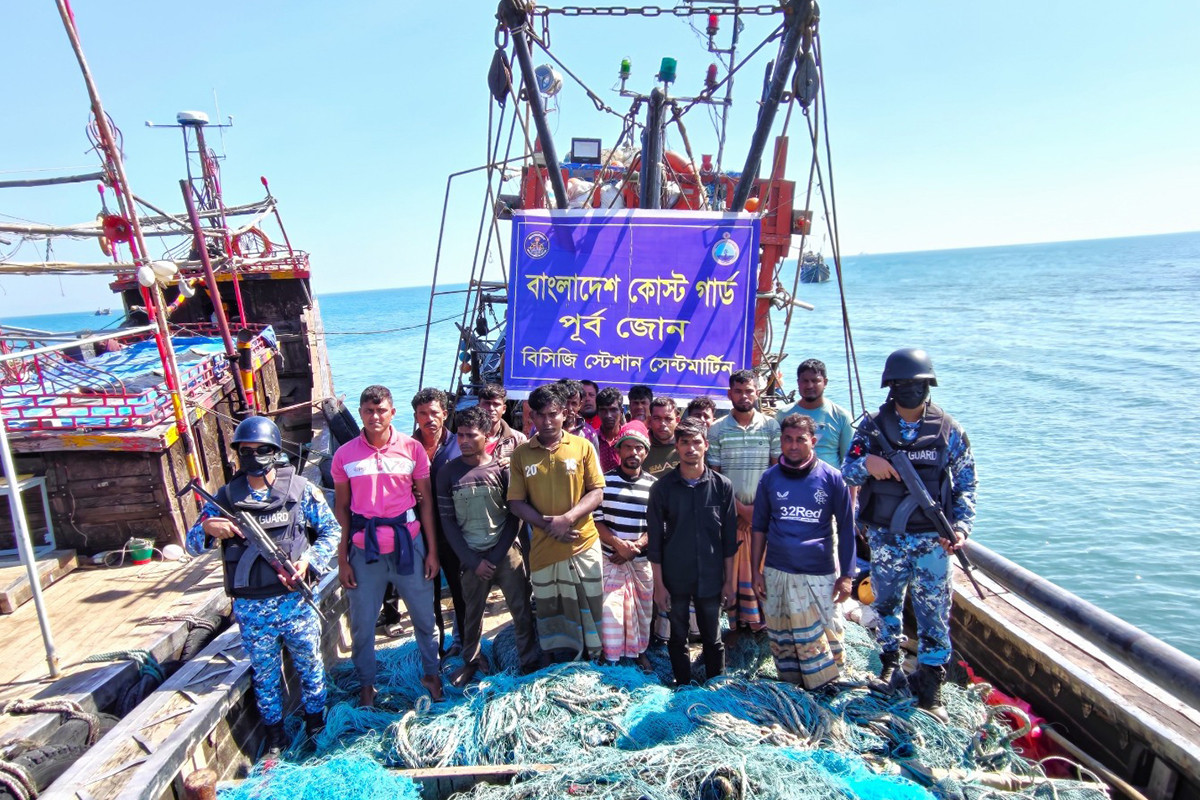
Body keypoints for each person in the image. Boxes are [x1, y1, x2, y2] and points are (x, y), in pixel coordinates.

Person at [185, 416, 339, 757]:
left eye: (260, 450)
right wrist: (210, 528)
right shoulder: (225, 497)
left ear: (274, 452)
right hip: (253, 608)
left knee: (311, 667)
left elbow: (332, 531)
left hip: (296, 601)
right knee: (264, 676)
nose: (253, 456)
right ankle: (275, 737)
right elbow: (192, 544)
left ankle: (317, 725)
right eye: (246, 451)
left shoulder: (300, 490)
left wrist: (309, 562)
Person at [841, 348, 977, 721]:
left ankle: (930, 687)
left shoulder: (948, 430)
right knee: (885, 607)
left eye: (917, 385)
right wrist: (867, 464)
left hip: (932, 541)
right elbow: (845, 472)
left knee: (934, 612)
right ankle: (889, 668)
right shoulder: (871, 428)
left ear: (928, 386)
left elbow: (966, 485)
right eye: (902, 385)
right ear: (890, 387)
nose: (910, 391)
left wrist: (961, 528)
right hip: (885, 539)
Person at [334, 385, 442, 706]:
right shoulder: (345, 455)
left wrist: (432, 551)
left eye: (381, 410)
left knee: (425, 618)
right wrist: (343, 559)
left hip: (409, 544)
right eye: (368, 411)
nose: (375, 416)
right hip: (363, 550)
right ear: (361, 414)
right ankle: (368, 685)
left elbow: (426, 504)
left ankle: (432, 674)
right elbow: (342, 510)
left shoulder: (412, 449)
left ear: (392, 413)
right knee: (363, 623)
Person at [436, 406, 540, 685]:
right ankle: (472, 660)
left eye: (471, 435)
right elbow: (448, 523)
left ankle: (528, 660)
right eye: (459, 435)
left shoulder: (502, 471)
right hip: (471, 557)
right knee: (471, 615)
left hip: (506, 555)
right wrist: (472, 561)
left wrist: (495, 555)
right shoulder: (447, 474)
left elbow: (515, 517)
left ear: (486, 436)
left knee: (520, 609)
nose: (464, 441)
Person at [751, 415, 855, 689]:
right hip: (776, 572)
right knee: (782, 634)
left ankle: (828, 685)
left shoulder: (833, 479)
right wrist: (756, 572)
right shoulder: (769, 479)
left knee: (828, 632)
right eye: (787, 439)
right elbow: (759, 527)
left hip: (818, 573)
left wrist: (847, 575)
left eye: (800, 439)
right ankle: (793, 685)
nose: (793, 445)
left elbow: (846, 529)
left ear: (814, 441)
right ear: (780, 441)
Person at [508, 384, 606, 661]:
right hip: (543, 548)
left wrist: (568, 519)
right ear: (532, 417)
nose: (547, 421)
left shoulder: (583, 446)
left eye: (553, 414)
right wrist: (549, 526)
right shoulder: (521, 454)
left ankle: (596, 659)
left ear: (565, 414)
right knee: (552, 610)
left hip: (583, 544)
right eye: (540, 415)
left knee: (593, 607)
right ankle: (558, 660)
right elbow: (515, 502)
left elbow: (597, 491)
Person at [647, 419, 738, 686]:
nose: (691, 448)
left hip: (711, 576)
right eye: (684, 442)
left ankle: (716, 688)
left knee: (713, 637)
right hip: (675, 576)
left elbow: (729, 541)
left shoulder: (722, 486)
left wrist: (730, 582)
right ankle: (682, 685)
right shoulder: (662, 489)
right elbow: (655, 541)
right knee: (677, 636)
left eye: (696, 442)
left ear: (706, 445)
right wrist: (659, 586)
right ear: (677, 446)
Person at [706, 369, 781, 635]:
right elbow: (716, 475)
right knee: (734, 573)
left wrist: (756, 512)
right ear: (729, 394)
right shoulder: (716, 429)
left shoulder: (771, 426)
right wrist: (739, 509)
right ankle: (738, 624)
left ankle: (762, 625)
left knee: (760, 570)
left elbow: (775, 472)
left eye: (749, 391)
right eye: (738, 391)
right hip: (732, 514)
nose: (744, 396)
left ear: (757, 393)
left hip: (762, 515)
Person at [594, 421, 657, 668]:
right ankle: (609, 656)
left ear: (646, 452)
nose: (633, 453)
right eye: (627, 447)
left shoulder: (654, 485)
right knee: (610, 612)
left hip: (640, 561)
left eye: (638, 448)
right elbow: (595, 520)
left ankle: (639, 652)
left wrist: (635, 548)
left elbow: (658, 525)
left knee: (642, 613)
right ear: (618, 451)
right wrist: (617, 545)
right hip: (610, 560)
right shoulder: (603, 483)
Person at [411, 387, 464, 656]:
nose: (429, 418)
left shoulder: (459, 445)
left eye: (434, 412)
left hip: (455, 532)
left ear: (445, 413)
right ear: (416, 416)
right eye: (423, 413)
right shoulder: (406, 448)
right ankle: (435, 648)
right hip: (419, 533)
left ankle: (464, 644)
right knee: (427, 595)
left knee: (460, 590)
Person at [778, 359, 855, 468]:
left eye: (815, 381)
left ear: (825, 382)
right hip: (791, 480)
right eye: (805, 381)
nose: (809, 386)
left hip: (829, 483)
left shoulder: (842, 417)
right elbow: (776, 453)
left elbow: (850, 460)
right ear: (798, 382)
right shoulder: (783, 415)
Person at [476, 382, 527, 464]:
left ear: (504, 409)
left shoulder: (517, 439)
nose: (491, 408)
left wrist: (513, 462)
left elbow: (525, 467)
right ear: (479, 407)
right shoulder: (467, 436)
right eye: (487, 403)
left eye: (496, 404)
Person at [556, 378, 601, 449]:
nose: (569, 408)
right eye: (565, 403)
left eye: (574, 403)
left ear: (580, 405)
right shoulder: (544, 429)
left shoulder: (589, 433)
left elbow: (594, 459)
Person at [643, 396, 681, 478]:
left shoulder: (688, 446)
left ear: (677, 421)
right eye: (657, 418)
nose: (663, 424)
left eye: (668, 419)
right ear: (650, 421)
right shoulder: (641, 447)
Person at [594, 387, 625, 473]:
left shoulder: (628, 438)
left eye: (613, 410)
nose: (608, 415)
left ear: (621, 411)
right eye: (603, 410)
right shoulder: (591, 439)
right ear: (597, 412)